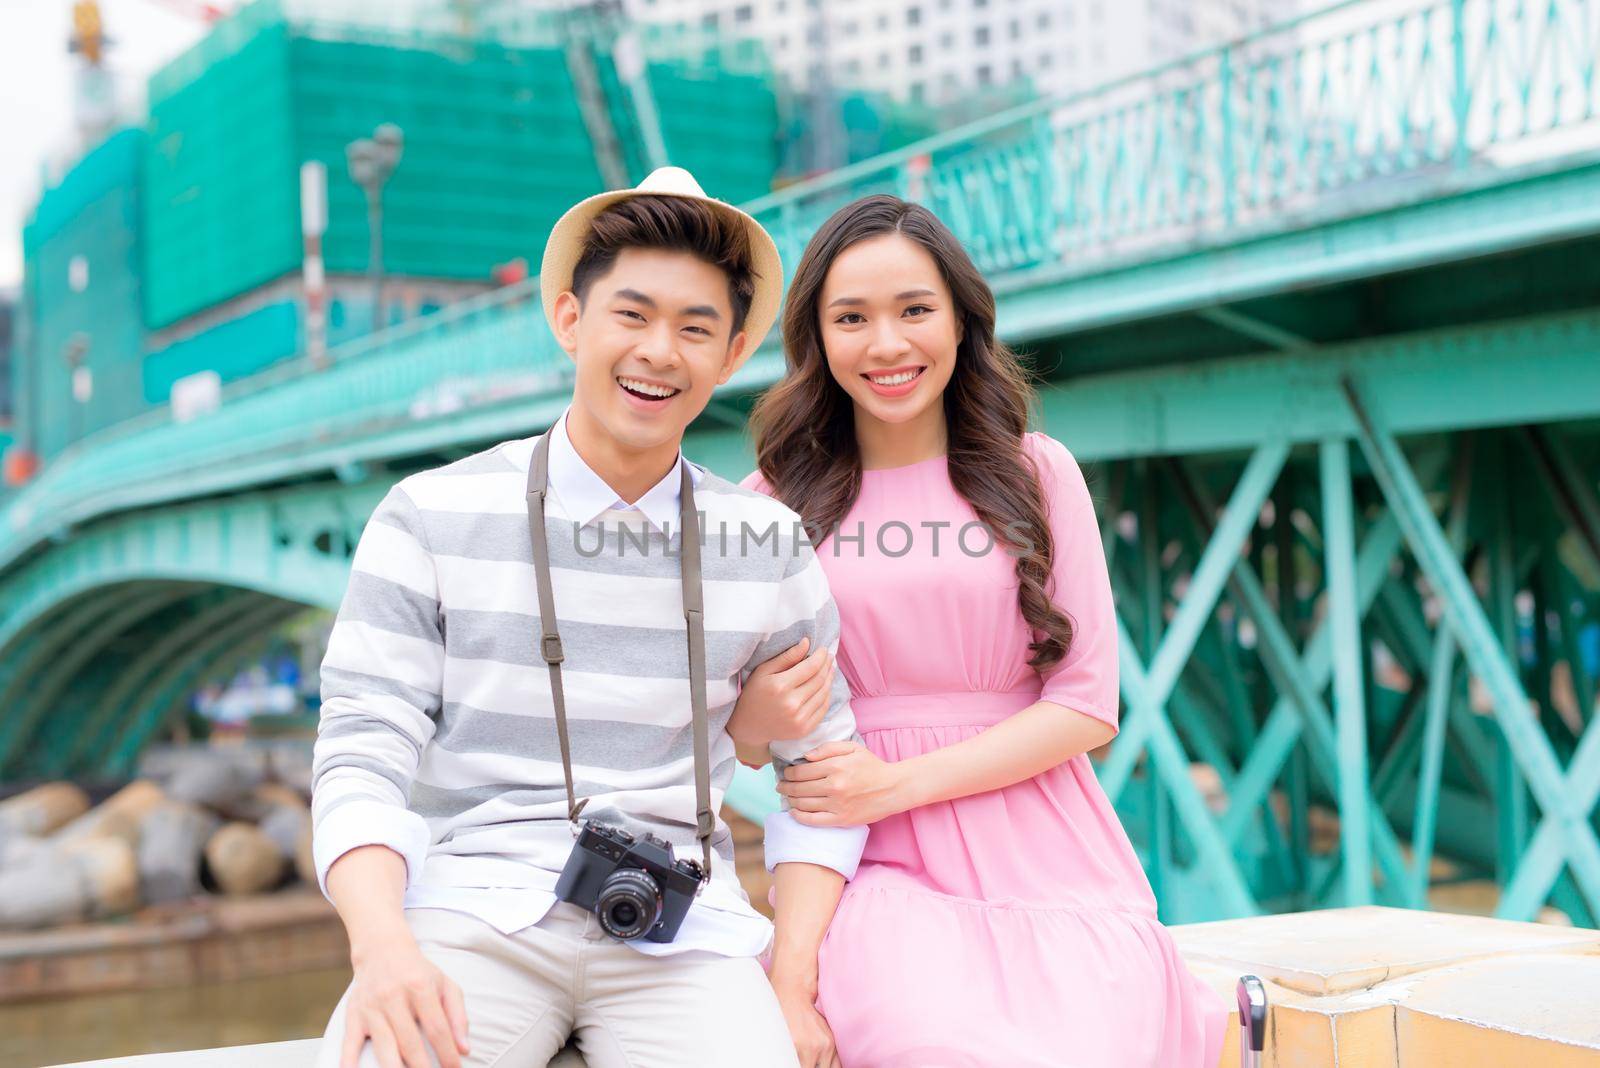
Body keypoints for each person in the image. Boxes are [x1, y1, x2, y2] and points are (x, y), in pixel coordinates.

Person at [311, 167, 868, 1068]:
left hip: (687, 930)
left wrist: (790, 983)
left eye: (696, 329)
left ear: (730, 357)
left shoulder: (766, 542)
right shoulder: (430, 514)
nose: (660, 351)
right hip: (469, 911)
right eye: (632, 315)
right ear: (570, 321)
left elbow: (827, 782)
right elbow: (361, 749)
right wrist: (381, 948)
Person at [727, 194, 1230, 1067]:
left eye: (915, 310)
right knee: (930, 1038)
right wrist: (764, 715)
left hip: (1050, 851)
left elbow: (1086, 707)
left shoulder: (1037, 473)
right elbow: (733, 739)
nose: (886, 345)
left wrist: (894, 784)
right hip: (865, 860)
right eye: (851, 318)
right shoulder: (769, 504)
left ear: (962, 322)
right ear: (817, 338)